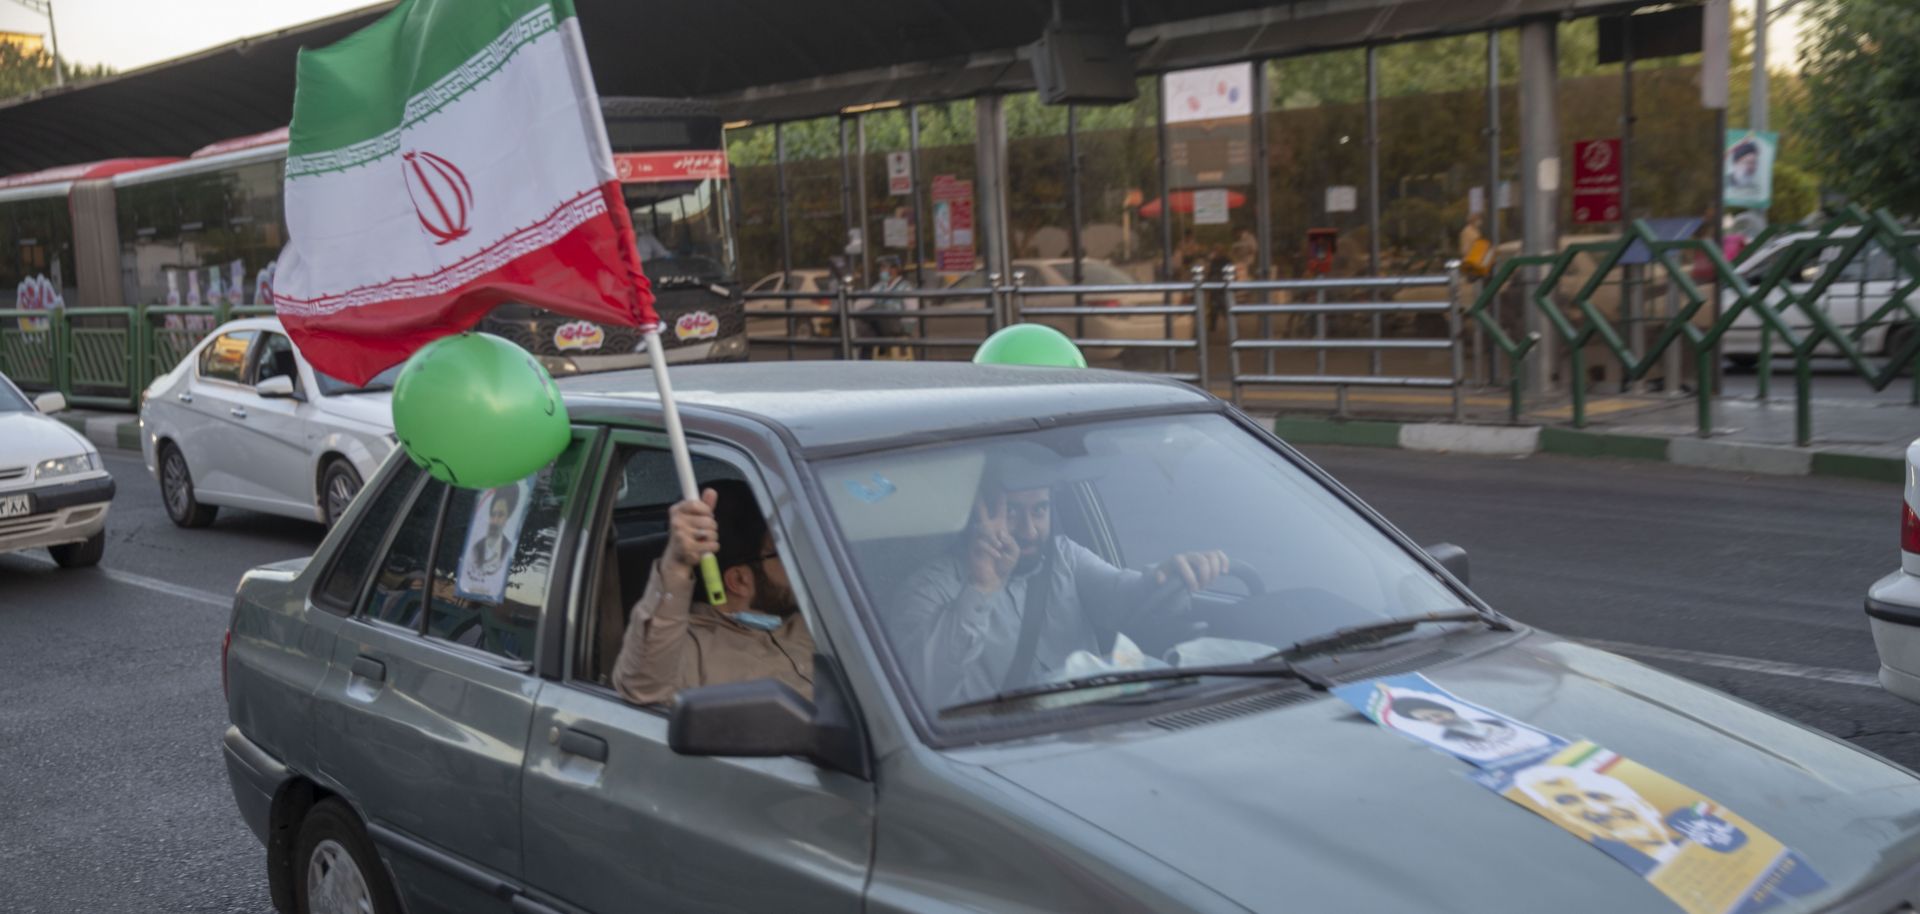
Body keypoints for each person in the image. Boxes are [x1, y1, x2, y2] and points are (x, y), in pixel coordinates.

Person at [893, 463, 1229, 708]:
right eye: (1012, 512)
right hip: (991, 751)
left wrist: (1169, 576)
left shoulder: (1065, 557)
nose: (1029, 530)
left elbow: (1125, 595)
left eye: (1039, 511)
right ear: (977, 515)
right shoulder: (929, 589)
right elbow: (923, 691)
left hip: (1090, 728)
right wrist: (981, 589)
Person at [612, 479, 813, 705]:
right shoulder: (690, 651)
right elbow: (641, 687)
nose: (799, 563)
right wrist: (676, 564)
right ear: (739, 580)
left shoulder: (823, 619)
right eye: (783, 553)